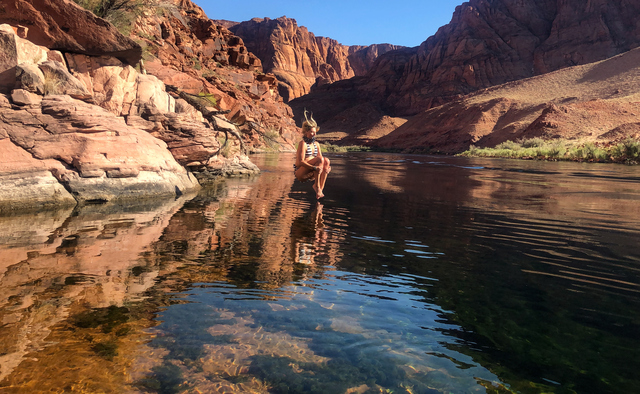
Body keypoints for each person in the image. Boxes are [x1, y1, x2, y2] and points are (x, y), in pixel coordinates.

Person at [294, 111, 331, 199]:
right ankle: (317, 186)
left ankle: (320, 190)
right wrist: (314, 168)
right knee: (319, 159)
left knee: (326, 160)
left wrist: (326, 168)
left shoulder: (317, 144)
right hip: (301, 172)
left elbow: (322, 160)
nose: (314, 134)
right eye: (311, 132)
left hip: (311, 172)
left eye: (315, 132)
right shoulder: (302, 144)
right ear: (306, 132)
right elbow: (300, 162)